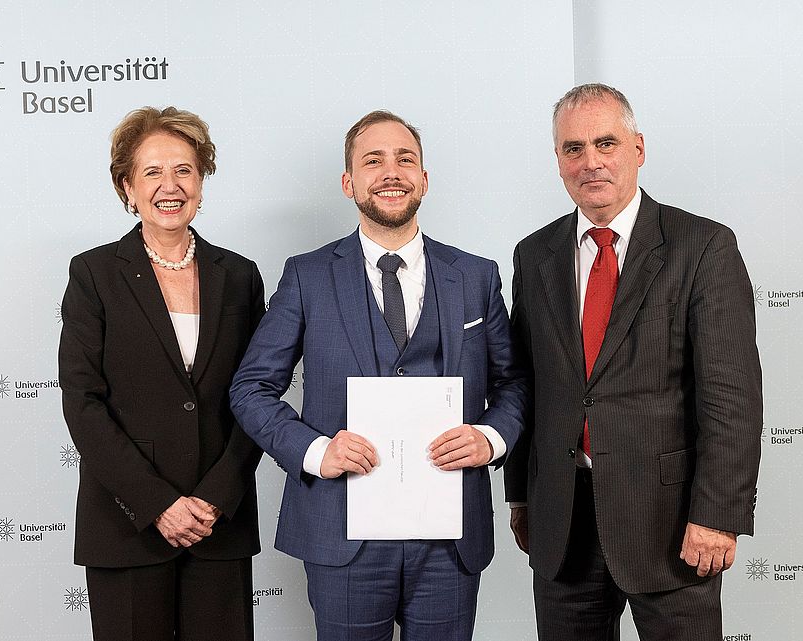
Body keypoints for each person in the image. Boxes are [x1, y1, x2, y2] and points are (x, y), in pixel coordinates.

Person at [230, 110, 526, 641]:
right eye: (373, 161)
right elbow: (251, 389)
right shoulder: (308, 274)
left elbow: (514, 384)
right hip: (341, 531)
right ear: (349, 183)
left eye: (405, 159)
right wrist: (317, 451)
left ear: (425, 180)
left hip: (449, 537)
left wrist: (489, 437)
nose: (391, 172)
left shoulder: (477, 275)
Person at [504, 84, 763, 640]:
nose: (590, 162)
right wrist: (522, 494)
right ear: (557, 160)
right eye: (573, 148)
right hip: (562, 526)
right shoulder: (534, 254)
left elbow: (730, 396)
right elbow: (527, 382)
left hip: (670, 525)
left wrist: (717, 514)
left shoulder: (703, 246)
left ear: (638, 148)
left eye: (606, 143)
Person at [58, 106, 265, 641]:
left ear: (202, 181)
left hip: (218, 523)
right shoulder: (94, 274)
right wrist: (158, 504)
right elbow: (82, 402)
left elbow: (256, 396)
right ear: (127, 186)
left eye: (185, 170)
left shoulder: (240, 276)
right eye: (152, 172)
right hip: (127, 525)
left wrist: (216, 498)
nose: (170, 186)